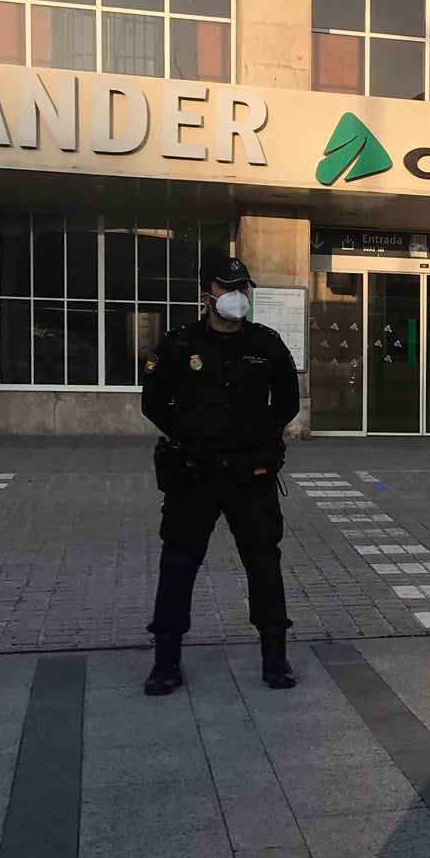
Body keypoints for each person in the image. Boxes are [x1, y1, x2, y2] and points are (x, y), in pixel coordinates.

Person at [141, 254, 301, 696]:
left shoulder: (266, 344)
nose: (236, 296)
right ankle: (166, 662)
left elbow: (287, 402)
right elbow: (153, 404)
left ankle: (275, 659)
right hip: (195, 475)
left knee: (264, 562)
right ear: (205, 295)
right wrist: (191, 437)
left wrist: (259, 438)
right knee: (179, 563)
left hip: (251, 474)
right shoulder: (178, 345)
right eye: (226, 287)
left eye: (241, 287)